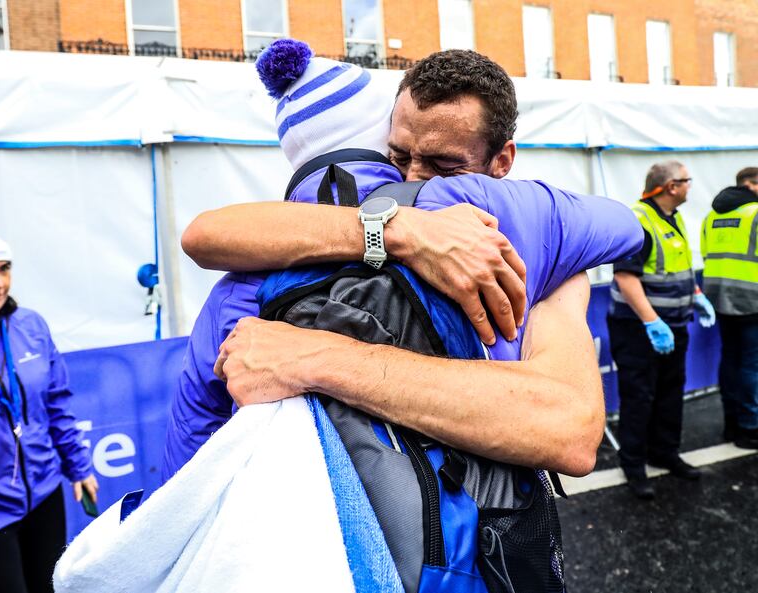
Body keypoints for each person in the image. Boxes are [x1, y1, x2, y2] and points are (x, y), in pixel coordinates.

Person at [165, 43, 643, 482]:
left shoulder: (258, 253)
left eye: (441, 164)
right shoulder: (498, 210)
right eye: (398, 155)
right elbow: (625, 227)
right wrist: (398, 231)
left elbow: (188, 444)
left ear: (502, 160)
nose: (413, 177)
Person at [0, 217, 98, 593]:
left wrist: (78, 465)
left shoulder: (29, 325)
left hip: (43, 493)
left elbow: (56, 403)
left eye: (4, 268)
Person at [607, 161, 716, 500]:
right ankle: (634, 465)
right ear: (671, 186)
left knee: (671, 391)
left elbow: (679, 267)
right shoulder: (639, 220)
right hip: (639, 329)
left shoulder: (673, 217)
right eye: (686, 181)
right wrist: (652, 321)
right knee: (639, 396)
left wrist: (695, 296)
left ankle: (665, 452)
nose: (689, 187)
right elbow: (626, 277)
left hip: (674, 324)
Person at [701, 166, 758, 449]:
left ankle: (731, 424)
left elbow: (705, 254)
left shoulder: (711, 215)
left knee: (731, 360)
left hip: (719, 298)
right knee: (751, 365)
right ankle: (749, 428)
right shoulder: (755, 213)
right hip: (752, 300)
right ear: (750, 185)